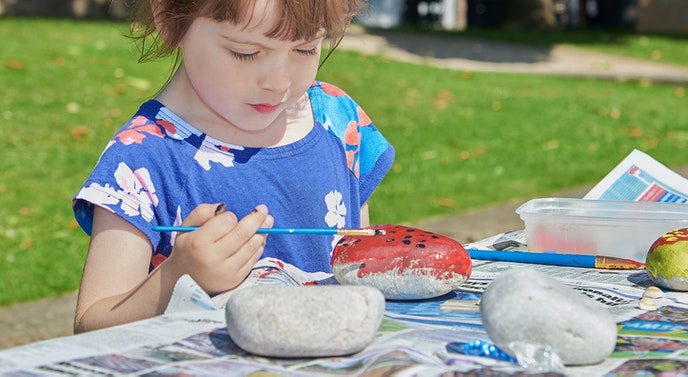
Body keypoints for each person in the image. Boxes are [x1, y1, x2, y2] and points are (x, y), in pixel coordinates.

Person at [72, 0, 395, 333]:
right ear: (169, 19)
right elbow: (90, 327)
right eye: (246, 53)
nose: (278, 82)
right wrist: (177, 279)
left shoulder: (338, 122)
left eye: (306, 49)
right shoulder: (142, 158)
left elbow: (358, 273)